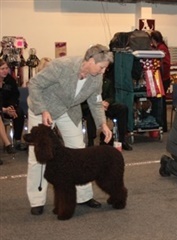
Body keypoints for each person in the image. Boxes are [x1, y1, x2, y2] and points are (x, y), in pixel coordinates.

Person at [26, 44, 113, 216]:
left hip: (69, 111)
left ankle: (84, 196)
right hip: (43, 107)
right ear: (90, 60)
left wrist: (102, 124)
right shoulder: (62, 65)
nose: (103, 72)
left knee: (79, 151)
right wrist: (43, 109)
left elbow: (95, 102)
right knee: (38, 156)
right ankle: (37, 200)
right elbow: (34, 84)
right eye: (102, 67)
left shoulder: (96, 78)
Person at [82, 72, 132, 150]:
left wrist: (107, 102)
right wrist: (98, 104)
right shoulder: (86, 83)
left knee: (122, 108)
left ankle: (122, 139)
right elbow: (83, 99)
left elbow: (112, 96)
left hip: (105, 105)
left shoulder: (107, 82)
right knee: (91, 113)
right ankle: (91, 142)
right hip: (90, 106)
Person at [0, 59, 28, 151]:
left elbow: (15, 95)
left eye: (6, 68)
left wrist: (11, 106)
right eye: (2, 69)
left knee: (19, 112)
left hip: (9, 106)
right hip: (1, 108)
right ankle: (7, 143)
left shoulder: (10, 80)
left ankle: (18, 140)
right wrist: (4, 109)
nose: (5, 71)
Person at [150, 30, 171, 132]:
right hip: (162, 79)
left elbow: (165, 65)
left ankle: (162, 125)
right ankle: (160, 124)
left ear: (154, 39)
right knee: (161, 103)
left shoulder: (161, 49)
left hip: (162, 80)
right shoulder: (161, 48)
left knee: (161, 103)